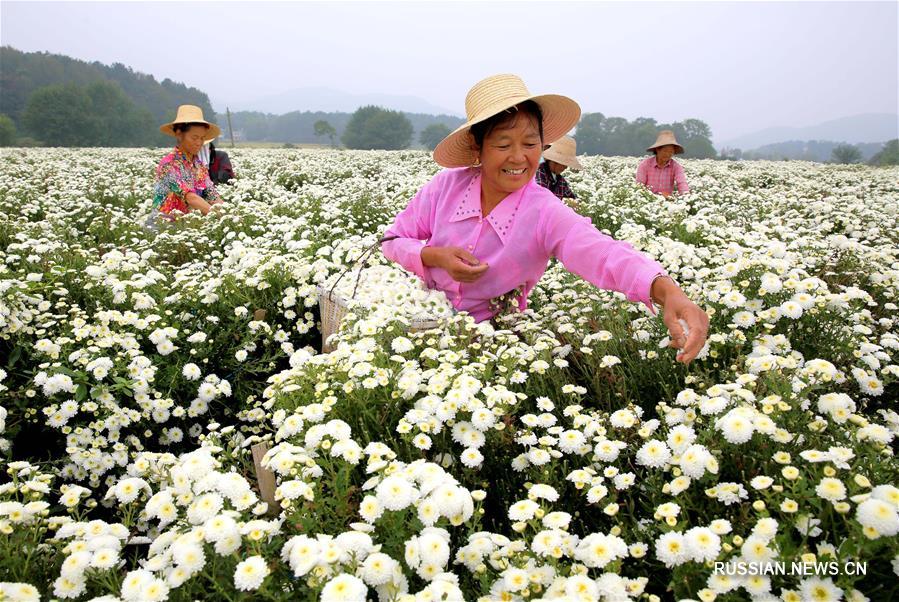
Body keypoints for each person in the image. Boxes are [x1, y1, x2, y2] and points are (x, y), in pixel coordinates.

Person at [381, 75, 709, 363]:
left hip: (494, 345)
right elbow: (392, 240)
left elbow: (603, 253)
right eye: (502, 144)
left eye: (530, 143)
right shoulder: (446, 187)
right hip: (425, 324)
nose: (519, 157)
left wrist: (668, 291)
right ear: (477, 147)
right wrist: (434, 255)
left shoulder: (544, 210)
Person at [151, 105, 224, 219]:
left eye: (202, 138)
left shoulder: (198, 165)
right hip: (164, 227)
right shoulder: (170, 164)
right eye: (194, 138)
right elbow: (190, 198)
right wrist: (220, 217)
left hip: (188, 223)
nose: (199, 143)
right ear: (179, 134)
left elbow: (212, 195)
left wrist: (230, 214)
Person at [636, 130, 690, 197]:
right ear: (657, 150)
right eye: (665, 151)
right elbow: (640, 186)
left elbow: (682, 183)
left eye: (671, 152)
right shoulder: (645, 165)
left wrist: (686, 196)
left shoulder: (676, 167)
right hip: (648, 200)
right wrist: (651, 196)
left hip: (667, 201)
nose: (668, 154)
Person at [535, 135, 581, 201]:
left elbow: (571, 197)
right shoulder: (539, 175)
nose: (566, 167)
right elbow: (540, 201)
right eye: (564, 163)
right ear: (555, 161)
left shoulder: (560, 181)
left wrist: (574, 202)